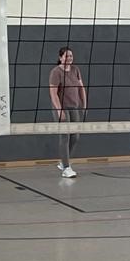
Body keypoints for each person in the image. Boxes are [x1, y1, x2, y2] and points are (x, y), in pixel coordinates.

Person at [48, 47, 87, 178]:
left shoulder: (75, 70)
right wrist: (59, 111)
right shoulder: (56, 72)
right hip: (61, 107)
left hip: (74, 107)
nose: (69, 58)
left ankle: (63, 161)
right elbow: (53, 93)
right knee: (65, 136)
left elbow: (81, 87)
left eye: (71, 56)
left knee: (75, 136)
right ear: (60, 58)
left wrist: (84, 104)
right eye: (66, 56)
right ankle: (66, 167)